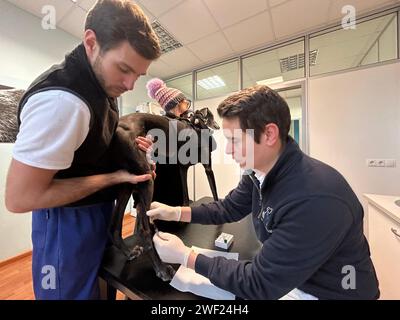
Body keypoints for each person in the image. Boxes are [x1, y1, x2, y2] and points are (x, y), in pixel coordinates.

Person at [147, 85, 380, 300]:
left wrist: (186, 257)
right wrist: (176, 212)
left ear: (269, 134)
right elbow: (229, 207)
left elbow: (260, 283)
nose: (227, 151)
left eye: (235, 140)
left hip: (331, 293)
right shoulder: (257, 172)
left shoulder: (316, 199)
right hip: (296, 278)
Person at [5, 0, 160, 300]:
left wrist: (127, 147)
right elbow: (20, 198)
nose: (130, 84)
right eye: (124, 69)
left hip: (96, 214)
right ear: (91, 42)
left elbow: (92, 139)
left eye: (138, 76)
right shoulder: (62, 102)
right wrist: (114, 178)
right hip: (67, 224)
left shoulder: (103, 85)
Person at [145, 78, 192, 207]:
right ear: (176, 103)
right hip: (170, 176)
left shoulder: (164, 122)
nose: (187, 104)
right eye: (184, 101)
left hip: (165, 175)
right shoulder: (175, 124)